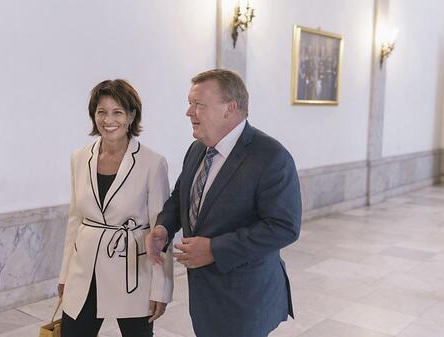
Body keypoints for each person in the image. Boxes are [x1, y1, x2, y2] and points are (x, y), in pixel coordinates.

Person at [145, 69, 302, 337]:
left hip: (245, 298)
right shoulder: (198, 149)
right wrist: (163, 229)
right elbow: (180, 196)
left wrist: (214, 249)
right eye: (189, 103)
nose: (189, 112)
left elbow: (284, 227)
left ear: (229, 108)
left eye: (198, 104)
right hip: (206, 297)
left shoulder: (271, 156)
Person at [58, 79, 173, 337]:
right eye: (102, 112)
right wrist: (65, 274)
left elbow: (160, 231)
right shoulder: (79, 157)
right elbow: (75, 219)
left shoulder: (153, 163)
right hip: (84, 270)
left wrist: (161, 289)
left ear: (131, 116)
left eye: (118, 112)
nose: (109, 120)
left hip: (132, 269)